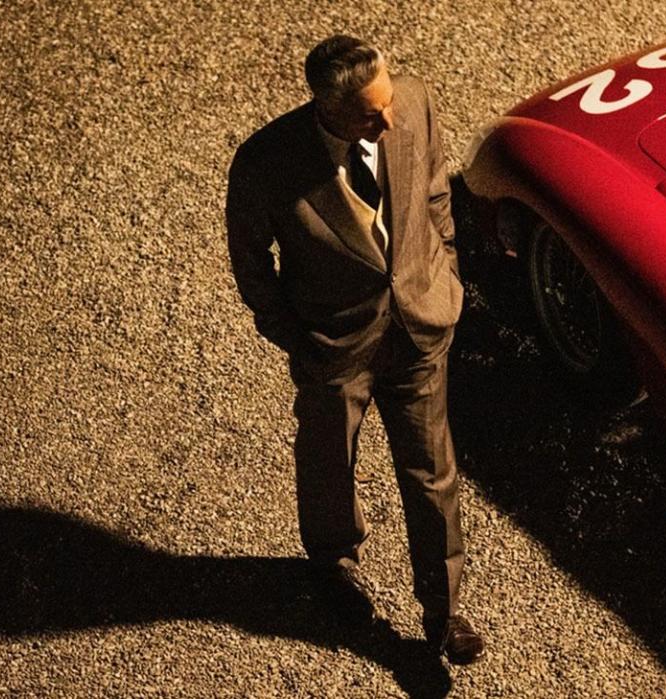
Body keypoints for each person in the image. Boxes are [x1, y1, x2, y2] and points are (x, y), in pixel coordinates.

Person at [224, 35, 484, 665]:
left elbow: (433, 192)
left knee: (432, 473)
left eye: (388, 103)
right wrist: (292, 333)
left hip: (420, 324)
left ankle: (445, 614)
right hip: (334, 344)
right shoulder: (267, 162)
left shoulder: (413, 102)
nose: (387, 119)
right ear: (329, 108)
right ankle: (334, 566)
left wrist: (441, 265)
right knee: (327, 461)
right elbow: (251, 262)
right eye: (370, 115)